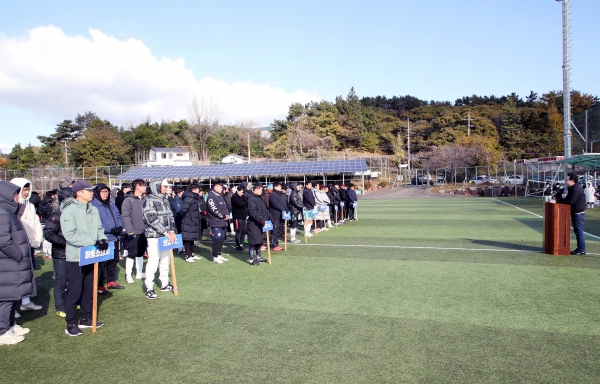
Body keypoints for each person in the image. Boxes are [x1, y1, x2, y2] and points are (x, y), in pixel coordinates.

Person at [60, 180, 108, 336]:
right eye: (89, 190)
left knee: (90, 289)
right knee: (75, 291)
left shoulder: (93, 209)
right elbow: (70, 235)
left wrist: (102, 240)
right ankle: (71, 323)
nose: (92, 192)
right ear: (79, 193)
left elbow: (99, 229)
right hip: (76, 257)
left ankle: (86, 318)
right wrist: (92, 242)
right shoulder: (69, 210)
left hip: (92, 256)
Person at [0, 181, 35, 345]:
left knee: (13, 296)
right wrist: (19, 255)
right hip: (8, 264)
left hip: (13, 264)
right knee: (6, 300)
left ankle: (11, 325)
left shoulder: (10, 212)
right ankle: (3, 332)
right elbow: (4, 242)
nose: (18, 196)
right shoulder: (2, 214)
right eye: (15, 193)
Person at [10, 178, 43, 312]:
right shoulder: (11, 205)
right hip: (16, 247)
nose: (26, 192)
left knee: (28, 274)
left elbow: (36, 223)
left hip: (29, 245)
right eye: (23, 189)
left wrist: (37, 239)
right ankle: (12, 307)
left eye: (27, 189)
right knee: (14, 277)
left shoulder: (29, 205)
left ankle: (25, 301)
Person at [142, 179, 177, 299]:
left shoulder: (165, 200)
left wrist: (172, 230)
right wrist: (165, 232)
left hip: (166, 236)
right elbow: (151, 219)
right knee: (153, 262)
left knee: (165, 260)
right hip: (154, 237)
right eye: (164, 186)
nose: (166, 188)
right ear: (157, 187)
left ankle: (164, 283)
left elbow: (171, 216)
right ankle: (149, 288)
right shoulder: (149, 201)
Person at [43, 187, 74, 318]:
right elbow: (48, 233)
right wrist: (65, 243)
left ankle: (71, 302)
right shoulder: (57, 214)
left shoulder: (74, 213)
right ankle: (60, 307)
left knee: (73, 280)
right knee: (61, 281)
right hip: (61, 254)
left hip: (74, 253)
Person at [91, 183, 125, 291]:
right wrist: (109, 229)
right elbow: (96, 222)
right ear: (97, 192)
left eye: (107, 191)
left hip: (115, 237)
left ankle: (111, 281)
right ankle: (99, 284)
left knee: (113, 260)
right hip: (104, 237)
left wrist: (120, 226)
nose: (106, 194)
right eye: (103, 192)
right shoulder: (94, 205)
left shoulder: (111, 203)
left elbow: (118, 215)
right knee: (101, 263)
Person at [121, 179, 147, 284]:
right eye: (144, 186)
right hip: (134, 232)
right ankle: (128, 275)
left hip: (144, 231)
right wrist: (130, 231)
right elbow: (125, 216)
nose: (145, 188)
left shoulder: (144, 199)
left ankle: (139, 272)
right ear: (138, 187)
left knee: (140, 253)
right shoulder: (128, 200)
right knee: (132, 253)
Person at [557, 172, 586, 255]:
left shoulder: (576, 189)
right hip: (575, 212)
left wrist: (560, 203)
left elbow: (571, 201)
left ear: (572, 181)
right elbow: (567, 199)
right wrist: (558, 201)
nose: (565, 181)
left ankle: (581, 250)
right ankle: (579, 248)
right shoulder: (572, 188)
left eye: (567, 180)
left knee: (579, 231)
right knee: (577, 231)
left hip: (578, 213)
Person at [178, 183, 204, 262]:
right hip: (188, 221)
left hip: (193, 221)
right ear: (193, 190)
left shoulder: (194, 198)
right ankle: (188, 256)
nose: (199, 191)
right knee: (187, 239)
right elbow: (183, 210)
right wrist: (187, 218)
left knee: (192, 239)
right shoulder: (189, 198)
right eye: (197, 189)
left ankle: (192, 254)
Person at [206, 181, 230, 264]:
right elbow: (214, 209)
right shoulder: (211, 197)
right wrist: (223, 215)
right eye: (220, 187)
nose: (221, 189)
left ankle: (219, 254)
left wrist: (227, 214)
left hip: (222, 221)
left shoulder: (220, 196)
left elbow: (225, 207)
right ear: (215, 187)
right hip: (215, 221)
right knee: (217, 239)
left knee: (222, 238)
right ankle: (215, 256)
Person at [247, 182, 269, 266]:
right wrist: (261, 220)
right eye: (260, 190)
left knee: (259, 241)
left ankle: (258, 256)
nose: (261, 191)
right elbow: (253, 212)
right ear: (255, 190)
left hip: (261, 223)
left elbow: (264, 210)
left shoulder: (260, 198)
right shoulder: (251, 199)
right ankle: (251, 259)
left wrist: (269, 217)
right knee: (253, 241)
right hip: (254, 223)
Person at [268, 182, 286, 251]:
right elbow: (276, 204)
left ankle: (276, 243)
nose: (280, 188)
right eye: (279, 186)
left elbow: (282, 204)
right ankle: (273, 245)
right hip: (275, 215)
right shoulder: (273, 195)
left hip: (280, 215)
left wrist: (286, 210)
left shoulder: (280, 195)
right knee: (274, 231)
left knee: (279, 230)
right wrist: (283, 209)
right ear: (275, 187)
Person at [231, 185, 248, 251]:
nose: (242, 193)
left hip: (243, 216)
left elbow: (245, 203)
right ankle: (238, 245)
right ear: (237, 191)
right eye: (241, 192)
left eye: (242, 192)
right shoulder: (234, 197)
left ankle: (241, 243)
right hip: (237, 216)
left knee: (244, 230)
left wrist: (244, 204)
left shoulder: (243, 196)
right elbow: (239, 204)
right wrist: (244, 203)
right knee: (238, 231)